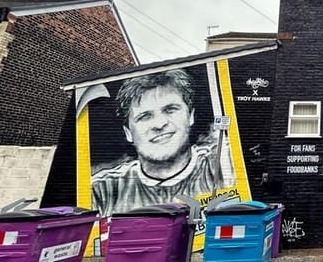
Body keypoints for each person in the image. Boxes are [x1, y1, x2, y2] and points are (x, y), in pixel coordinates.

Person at [91, 69, 233, 217]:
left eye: (170, 110)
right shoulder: (102, 190)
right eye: (145, 116)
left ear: (190, 116)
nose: (159, 124)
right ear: (128, 133)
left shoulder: (224, 164)